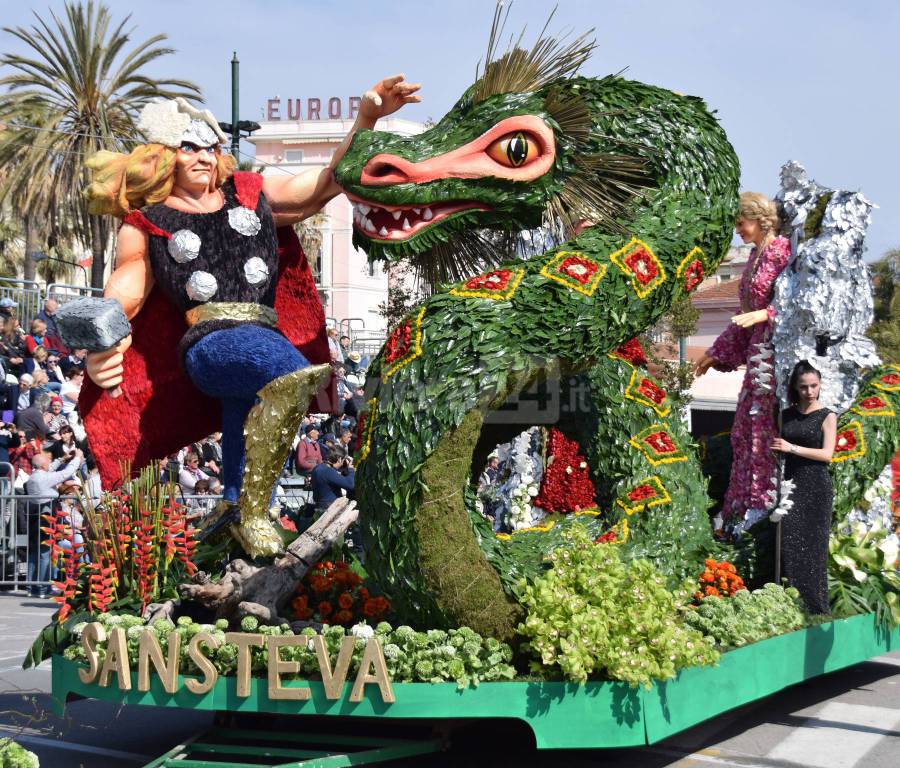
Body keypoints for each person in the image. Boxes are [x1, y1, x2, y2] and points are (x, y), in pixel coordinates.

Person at [83, 76, 420, 558]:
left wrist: (366, 118)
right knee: (289, 373)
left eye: (210, 146)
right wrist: (103, 342)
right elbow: (125, 291)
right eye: (188, 147)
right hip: (209, 344)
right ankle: (254, 515)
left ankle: (233, 504)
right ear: (160, 156)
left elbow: (324, 185)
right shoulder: (148, 221)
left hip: (261, 332)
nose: (203, 156)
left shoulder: (252, 192)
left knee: (255, 401)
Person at [695, 192, 791, 527]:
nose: (738, 229)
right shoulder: (753, 258)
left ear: (760, 220)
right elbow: (743, 316)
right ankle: (737, 511)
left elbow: (800, 304)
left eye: (741, 222)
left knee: (763, 432)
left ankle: (762, 508)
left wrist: (767, 314)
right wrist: (713, 353)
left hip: (777, 356)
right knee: (744, 431)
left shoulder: (782, 252)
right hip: (755, 354)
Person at [770, 361, 836, 615]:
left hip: (817, 487)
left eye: (814, 386)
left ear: (820, 385)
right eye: (804, 387)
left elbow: (827, 454)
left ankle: (816, 609)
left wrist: (792, 448)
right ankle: (792, 606)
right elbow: (777, 446)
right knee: (790, 545)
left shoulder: (827, 415)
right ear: (795, 388)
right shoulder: (786, 414)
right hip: (791, 485)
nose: (809, 391)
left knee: (814, 549)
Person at [23, 449, 83, 597]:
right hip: (45, 516)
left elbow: (49, 469)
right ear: (43, 466)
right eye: (48, 462)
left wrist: (62, 459)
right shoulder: (43, 478)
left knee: (34, 554)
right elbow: (64, 473)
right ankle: (43, 589)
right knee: (45, 554)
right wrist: (78, 458)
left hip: (35, 516)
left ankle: (32, 588)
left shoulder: (34, 477)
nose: (50, 464)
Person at [310, 447, 355, 515]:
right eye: (343, 461)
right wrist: (351, 470)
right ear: (339, 459)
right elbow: (350, 485)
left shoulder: (317, 468)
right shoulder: (328, 472)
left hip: (319, 507)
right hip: (330, 510)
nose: (343, 464)